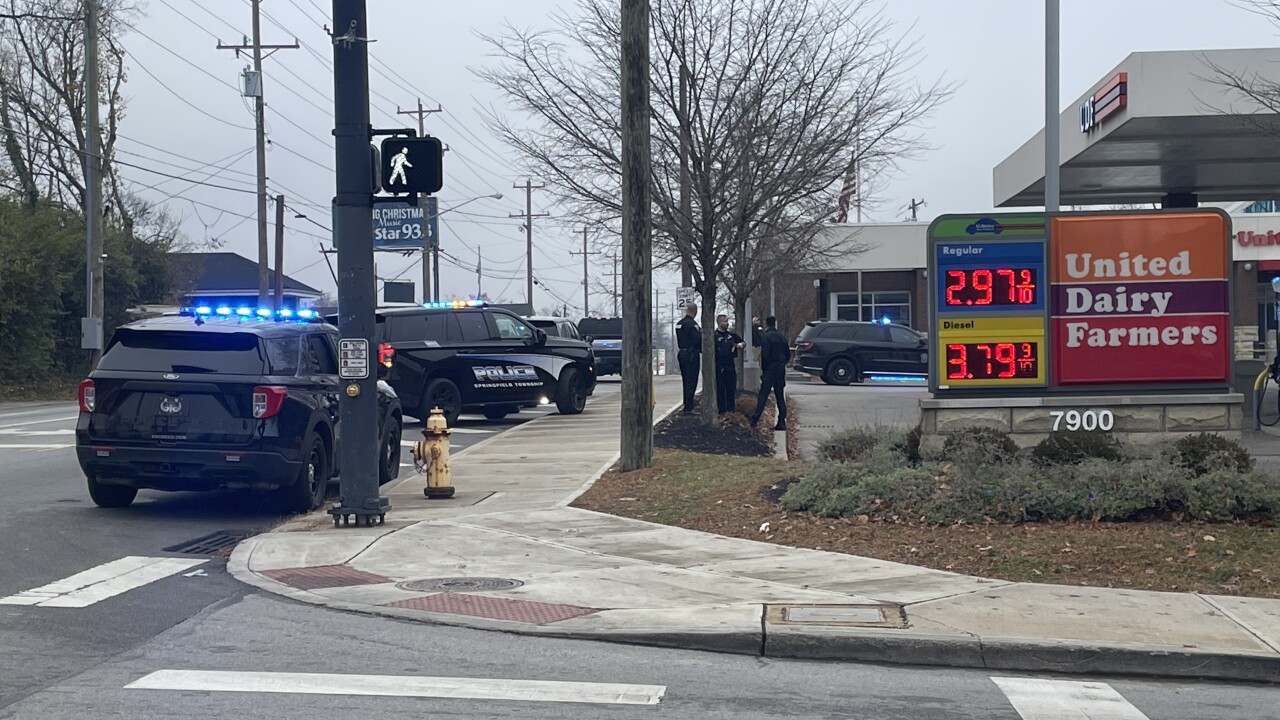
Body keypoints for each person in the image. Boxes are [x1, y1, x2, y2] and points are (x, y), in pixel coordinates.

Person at [750, 316, 790, 430]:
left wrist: (764, 370)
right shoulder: (782, 337)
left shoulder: (766, 337)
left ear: (766, 324)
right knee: (779, 396)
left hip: (770, 368)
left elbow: (765, 355)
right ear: (775, 323)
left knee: (763, 395)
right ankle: (782, 421)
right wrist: (782, 363)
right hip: (780, 368)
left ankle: (754, 419)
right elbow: (788, 354)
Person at [713, 314, 745, 414]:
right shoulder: (714, 336)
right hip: (719, 366)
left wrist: (741, 345)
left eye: (727, 321)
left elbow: (742, 342)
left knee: (731, 388)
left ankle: (731, 410)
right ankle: (721, 410)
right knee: (720, 389)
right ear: (719, 322)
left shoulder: (731, 335)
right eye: (724, 321)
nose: (727, 323)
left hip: (730, 365)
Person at [675, 303, 702, 413]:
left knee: (685, 380)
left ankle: (686, 404)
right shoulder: (693, 325)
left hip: (682, 353)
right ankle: (689, 407)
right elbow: (697, 340)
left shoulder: (679, 324)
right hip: (691, 355)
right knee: (692, 380)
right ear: (695, 311)